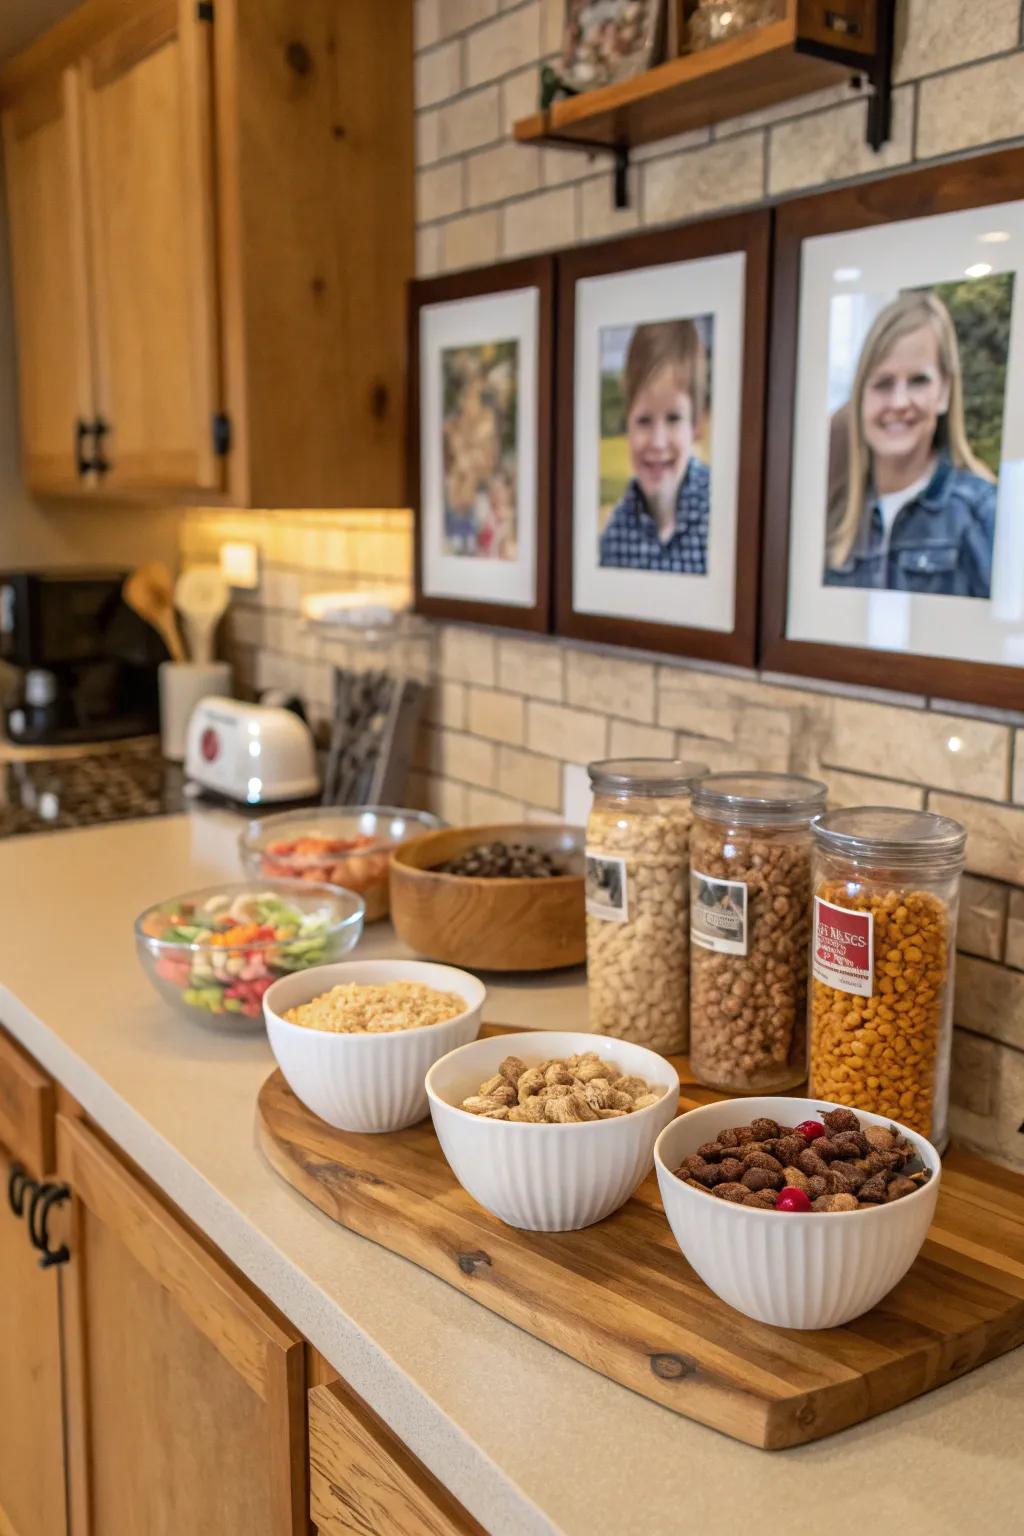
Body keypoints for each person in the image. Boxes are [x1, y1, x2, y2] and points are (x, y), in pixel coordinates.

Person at [824, 291, 996, 597]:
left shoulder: (982, 515)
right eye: (883, 383)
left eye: (918, 381)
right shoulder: (832, 514)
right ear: (860, 396)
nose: (899, 402)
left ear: (944, 392)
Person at [599, 320, 710, 573]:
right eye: (644, 421)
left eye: (673, 419)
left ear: (695, 426)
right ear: (628, 424)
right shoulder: (615, 535)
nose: (658, 442)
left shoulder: (721, 520)